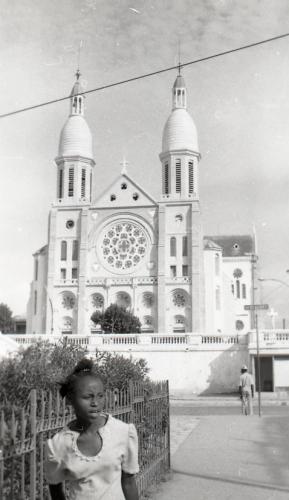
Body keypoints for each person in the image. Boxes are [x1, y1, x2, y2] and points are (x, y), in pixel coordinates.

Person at [45, 358, 139, 500]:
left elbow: (129, 483)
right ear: (70, 399)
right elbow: (55, 488)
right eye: (87, 397)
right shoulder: (59, 444)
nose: (95, 403)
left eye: (100, 396)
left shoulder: (123, 432)